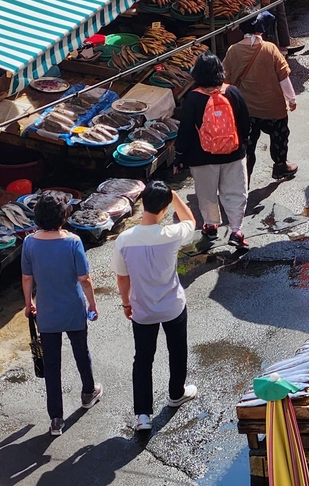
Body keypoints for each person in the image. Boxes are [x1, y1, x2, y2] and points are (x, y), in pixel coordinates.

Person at [113, 183, 200, 431]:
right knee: (177, 350)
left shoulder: (125, 240)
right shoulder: (172, 235)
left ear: (142, 203)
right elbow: (190, 220)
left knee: (142, 359)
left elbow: (122, 277)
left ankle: (142, 415)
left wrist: (126, 302)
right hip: (172, 305)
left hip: (142, 309)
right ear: (164, 209)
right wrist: (173, 196)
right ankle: (176, 393)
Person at [21, 192, 102, 437]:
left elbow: (27, 278)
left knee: (52, 365)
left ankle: (56, 419)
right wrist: (92, 304)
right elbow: (84, 279)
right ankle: (88, 392)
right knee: (81, 352)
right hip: (73, 308)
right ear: (63, 216)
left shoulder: (29, 243)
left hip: (47, 312)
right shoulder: (73, 242)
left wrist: (29, 304)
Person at [175, 53, 252, 249]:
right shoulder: (233, 92)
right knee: (235, 192)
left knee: (206, 193)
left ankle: (210, 225)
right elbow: (246, 123)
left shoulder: (193, 98)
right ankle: (236, 230)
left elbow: (185, 130)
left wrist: (180, 155)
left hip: (202, 157)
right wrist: (242, 144)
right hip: (234, 154)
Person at [222, 11, 298, 181]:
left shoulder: (233, 51)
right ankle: (280, 166)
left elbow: (224, 82)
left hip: (245, 111)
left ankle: (243, 179)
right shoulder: (270, 49)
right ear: (261, 30)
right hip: (273, 109)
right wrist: (291, 99)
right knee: (279, 138)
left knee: (247, 146)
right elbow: (283, 78)